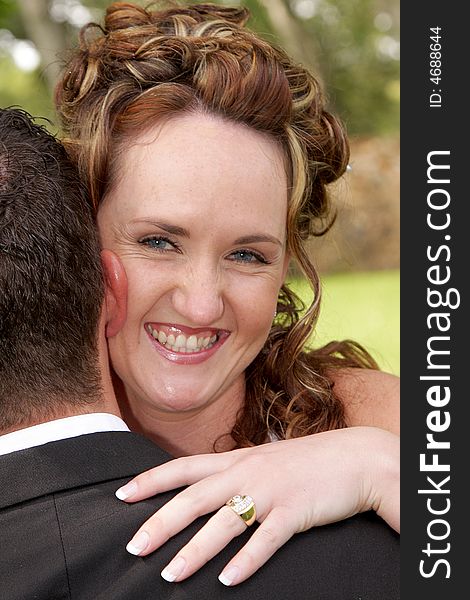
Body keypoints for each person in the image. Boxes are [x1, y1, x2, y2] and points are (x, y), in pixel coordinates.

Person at [54, 1, 400, 588]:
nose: (201, 304)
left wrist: (381, 469)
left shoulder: (372, 419)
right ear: (82, 234)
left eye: (247, 255)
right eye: (160, 242)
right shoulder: (25, 436)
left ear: (286, 265)